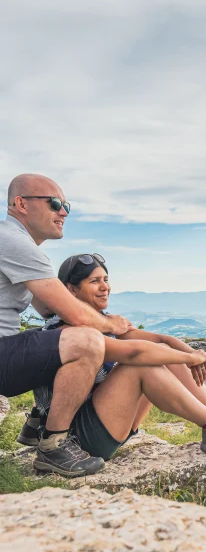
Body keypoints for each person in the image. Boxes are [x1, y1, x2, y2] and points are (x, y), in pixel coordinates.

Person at [25, 253, 206, 465]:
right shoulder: (64, 332)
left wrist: (183, 349)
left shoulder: (103, 322)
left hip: (107, 422)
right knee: (140, 367)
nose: (104, 287)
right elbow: (135, 353)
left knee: (166, 354)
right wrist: (188, 356)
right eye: (94, 281)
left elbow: (155, 340)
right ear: (71, 290)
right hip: (77, 438)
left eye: (106, 280)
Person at [0, 173, 134, 477]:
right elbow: (75, 317)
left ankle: (38, 420)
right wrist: (108, 322)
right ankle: (54, 445)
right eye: (55, 203)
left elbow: (49, 310)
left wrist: (82, 303)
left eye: (66, 205)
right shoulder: (13, 242)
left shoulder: (15, 245)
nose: (63, 212)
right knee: (86, 341)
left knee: (54, 336)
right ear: (21, 204)